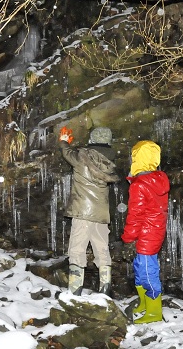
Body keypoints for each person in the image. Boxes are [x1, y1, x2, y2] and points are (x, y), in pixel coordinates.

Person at [59, 126, 120, 296]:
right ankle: (105, 288)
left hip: (83, 211)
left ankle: (74, 290)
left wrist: (64, 141)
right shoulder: (111, 159)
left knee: (77, 249)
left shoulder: (82, 156)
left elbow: (66, 153)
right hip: (101, 213)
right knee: (101, 248)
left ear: (92, 140)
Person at [121, 140, 170, 324]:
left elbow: (135, 215)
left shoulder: (140, 184)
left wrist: (128, 238)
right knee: (140, 268)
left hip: (145, 234)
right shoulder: (159, 180)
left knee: (148, 273)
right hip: (155, 232)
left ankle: (154, 312)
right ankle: (144, 303)